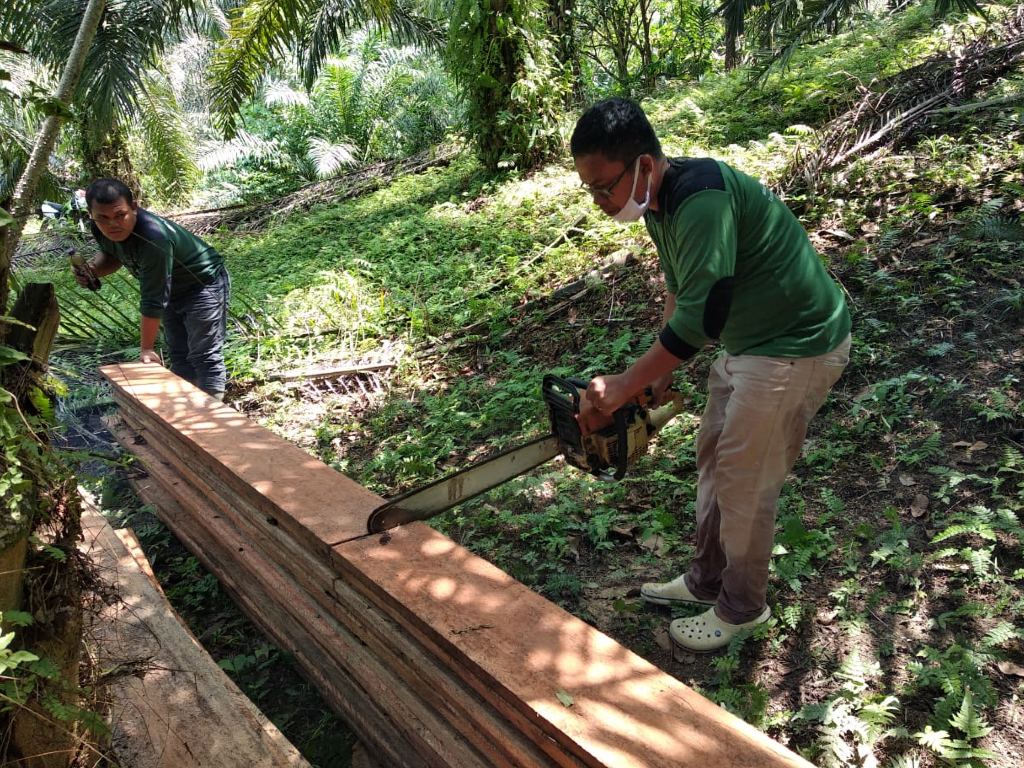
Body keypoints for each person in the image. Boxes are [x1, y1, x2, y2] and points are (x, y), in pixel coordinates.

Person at [570, 98, 852, 652]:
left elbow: (705, 315)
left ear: (644, 164)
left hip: (795, 346)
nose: (601, 201)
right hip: (748, 344)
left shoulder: (701, 201)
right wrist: (657, 375)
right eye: (591, 191)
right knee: (714, 457)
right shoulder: (661, 205)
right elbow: (682, 293)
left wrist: (625, 383)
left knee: (745, 478)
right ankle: (705, 581)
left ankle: (742, 608)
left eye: (605, 186)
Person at [74, 178, 230, 400]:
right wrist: (93, 270)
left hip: (203, 285)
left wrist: (146, 349)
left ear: (134, 207)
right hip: (171, 290)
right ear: (92, 215)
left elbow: (153, 299)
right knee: (179, 354)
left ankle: (213, 411)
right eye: (103, 218)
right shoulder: (99, 228)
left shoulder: (154, 237)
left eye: (120, 215)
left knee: (204, 355)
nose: (112, 224)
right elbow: (112, 254)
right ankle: (186, 408)